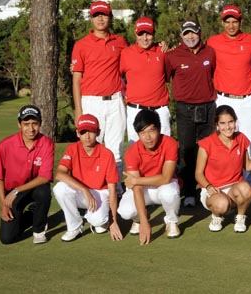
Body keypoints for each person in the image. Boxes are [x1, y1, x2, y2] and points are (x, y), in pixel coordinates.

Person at [71, 0, 127, 182]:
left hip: (115, 100)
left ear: (110, 17)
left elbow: (133, 60)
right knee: (90, 147)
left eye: (104, 15)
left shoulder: (119, 42)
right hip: (91, 102)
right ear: (91, 18)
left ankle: (116, 190)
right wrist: (78, 109)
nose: (100, 19)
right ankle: (91, 187)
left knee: (115, 149)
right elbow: (76, 79)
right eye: (96, 15)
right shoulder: (81, 45)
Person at [165, 19, 216, 208]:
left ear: (199, 33)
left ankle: (205, 187)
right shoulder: (172, 56)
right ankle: (188, 191)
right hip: (184, 107)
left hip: (208, 106)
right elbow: (164, 77)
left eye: (193, 32)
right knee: (186, 149)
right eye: (186, 33)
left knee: (207, 149)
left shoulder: (210, 52)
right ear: (181, 36)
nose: (190, 36)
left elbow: (215, 74)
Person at [207, 5, 251, 184]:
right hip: (224, 98)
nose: (231, 26)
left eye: (234, 22)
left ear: (241, 22)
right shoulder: (213, 42)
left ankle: (247, 185)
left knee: (248, 142)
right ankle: (225, 183)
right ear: (222, 23)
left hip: (247, 98)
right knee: (223, 143)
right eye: (227, 22)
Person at [53, 114, 123, 242]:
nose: (87, 136)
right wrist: (84, 190)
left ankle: (95, 218)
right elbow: (59, 174)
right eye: (83, 132)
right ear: (78, 133)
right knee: (59, 188)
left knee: (99, 222)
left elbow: (112, 190)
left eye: (91, 131)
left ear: (98, 132)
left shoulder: (107, 154)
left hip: (100, 193)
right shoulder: (72, 149)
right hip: (82, 192)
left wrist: (113, 220)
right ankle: (75, 226)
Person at [0, 105, 54, 244]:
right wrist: (4, 205)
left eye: (34, 124)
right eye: (26, 124)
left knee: (44, 191)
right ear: (19, 124)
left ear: (40, 123)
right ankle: (33, 213)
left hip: (33, 188)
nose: (31, 129)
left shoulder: (47, 144)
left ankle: (38, 230)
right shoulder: (5, 145)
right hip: (12, 193)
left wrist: (17, 190)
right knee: (7, 238)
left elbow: (44, 177)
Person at [118, 109, 181, 244]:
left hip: (163, 186)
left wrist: (135, 180)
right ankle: (138, 220)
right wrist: (144, 221)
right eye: (142, 133)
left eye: (151, 131)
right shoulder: (132, 152)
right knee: (125, 211)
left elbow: (166, 178)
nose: (147, 137)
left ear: (159, 129)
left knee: (169, 193)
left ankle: (171, 221)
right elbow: (137, 188)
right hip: (144, 189)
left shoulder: (170, 143)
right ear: (138, 134)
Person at [195, 105, 251, 233]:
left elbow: (248, 165)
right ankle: (217, 215)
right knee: (221, 205)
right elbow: (198, 173)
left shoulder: (241, 138)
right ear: (217, 124)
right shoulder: (207, 143)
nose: (228, 127)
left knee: (246, 188)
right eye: (223, 123)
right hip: (213, 189)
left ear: (235, 121)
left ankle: (240, 217)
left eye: (230, 122)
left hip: (234, 187)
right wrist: (208, 187)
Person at [119, 16, 170, 145]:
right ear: (136, 34)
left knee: (165, 148)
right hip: (136, 109)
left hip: (160, 109)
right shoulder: (126, 53)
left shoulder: (162, 52)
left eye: (148, 34)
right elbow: (113, 74)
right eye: (141, 34)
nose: (145, 38)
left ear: (154, 34)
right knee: (136, 150)